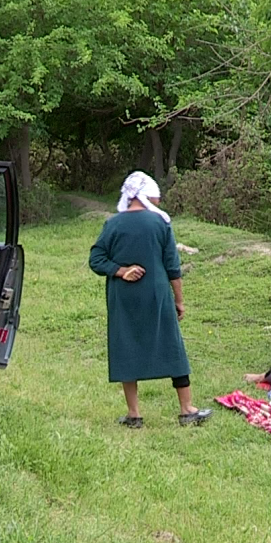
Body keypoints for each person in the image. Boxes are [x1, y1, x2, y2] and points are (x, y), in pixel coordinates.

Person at [88, 171, 211, 428]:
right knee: (172, 346)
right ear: (146, 196)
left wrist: (121, 271)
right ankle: (187, 408)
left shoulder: (113, 224)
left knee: (126, 348)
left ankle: (134, 414)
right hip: (157, 295)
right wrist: (179, 300)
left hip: (123, 298)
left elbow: (96, 259)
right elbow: (172, 267)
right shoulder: (160, 223)